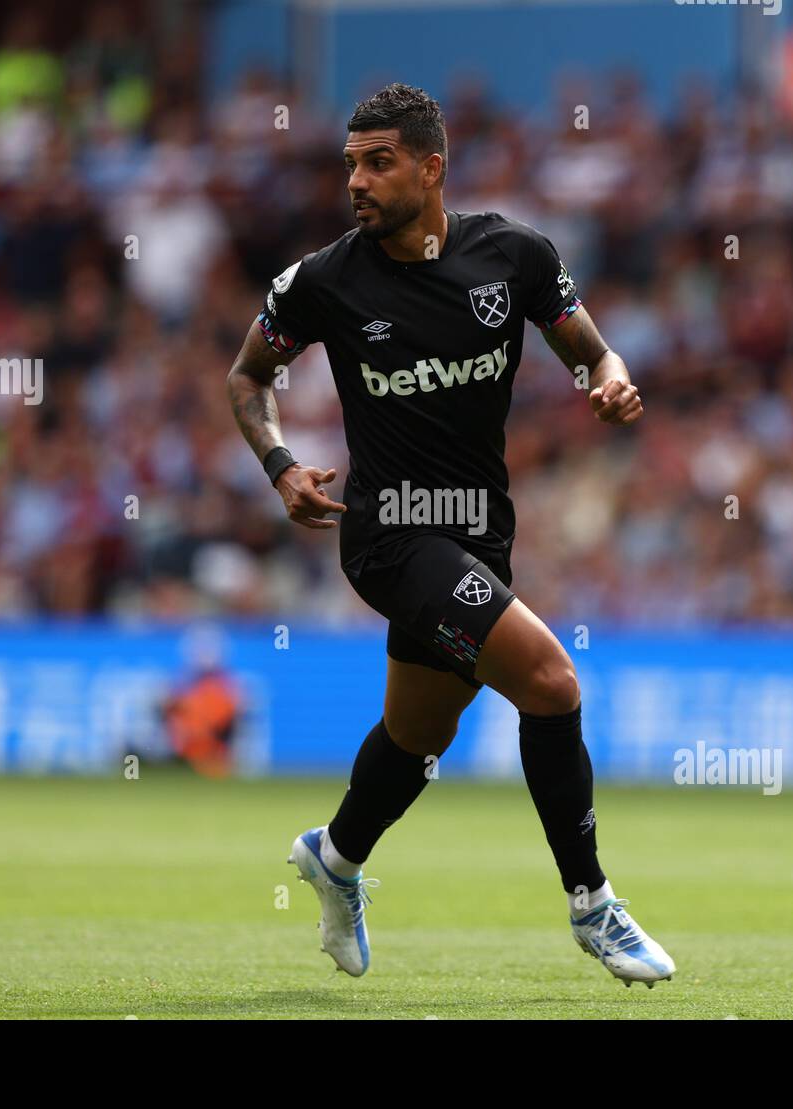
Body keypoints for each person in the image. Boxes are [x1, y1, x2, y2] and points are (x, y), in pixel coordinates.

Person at [226, 83, 673, 988]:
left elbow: (592, 351)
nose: (357, 180)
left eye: (378, 161)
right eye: (350, 162)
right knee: (550, 683)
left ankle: (337, 856)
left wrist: (612, 381)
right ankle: (593, 905)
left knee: (416, 734)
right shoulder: (324, 281)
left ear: (432, 168)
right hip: (390, 535)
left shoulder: (514, 256)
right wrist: (279, 464)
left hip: (480, 535)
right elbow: (247, 376)